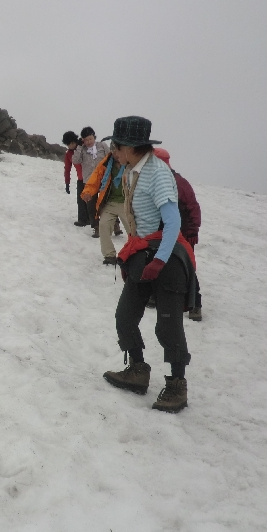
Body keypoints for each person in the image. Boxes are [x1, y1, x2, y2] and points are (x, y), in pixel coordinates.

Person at [102, 116, 197, 413]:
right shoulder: (132, 170)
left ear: (130, 147)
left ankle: (177, 385)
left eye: (116, 147)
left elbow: (172, 222)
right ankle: (138, 370)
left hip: (166, 259)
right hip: (143, 254)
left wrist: (159, 261)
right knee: (125, 316)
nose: (114, 152)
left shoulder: (157, 173)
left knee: (168, 327)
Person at [153, 148, 203, 321]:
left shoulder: (179, 183)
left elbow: (193, 206)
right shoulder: (155, 180)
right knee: (158, 261)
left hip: (183, 233)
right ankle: (154, 294)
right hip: (160, 232)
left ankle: (195, 304)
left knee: (186, 267)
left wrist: (193, 230)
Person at [80, 139, 129, 264]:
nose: (116, 154)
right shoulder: (106, 163)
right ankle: (109, 256)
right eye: (114, 151)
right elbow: (95, 179)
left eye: (119, 151)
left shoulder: (131, 164)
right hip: (110, 202)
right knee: (103, 225)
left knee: (133, 230)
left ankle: (135, 254)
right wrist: (87, 192)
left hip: (127, 203)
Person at [71, 126, 109, 238]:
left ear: (94, 137)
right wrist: (79, 147)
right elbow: (75, 161)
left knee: (106, 203)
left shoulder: (102, 146)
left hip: (104, 179)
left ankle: (115, 225)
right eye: (86, 140)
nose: (88, 142)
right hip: (89, 181)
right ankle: (96, 227)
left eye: (90, 139)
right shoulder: (82, 149)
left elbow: (111, 158)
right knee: (91, 206)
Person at [62, 131, 86, 226]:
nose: (71, 145)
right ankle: (82, 220)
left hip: (92, 177)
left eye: (72, 143)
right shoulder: (68, 154)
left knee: (92, 200)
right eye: (68, 144)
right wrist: (67, 183)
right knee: (80, 200)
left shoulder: (84, 146)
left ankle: (93, 220)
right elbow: (67, 169)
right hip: (81, 179)